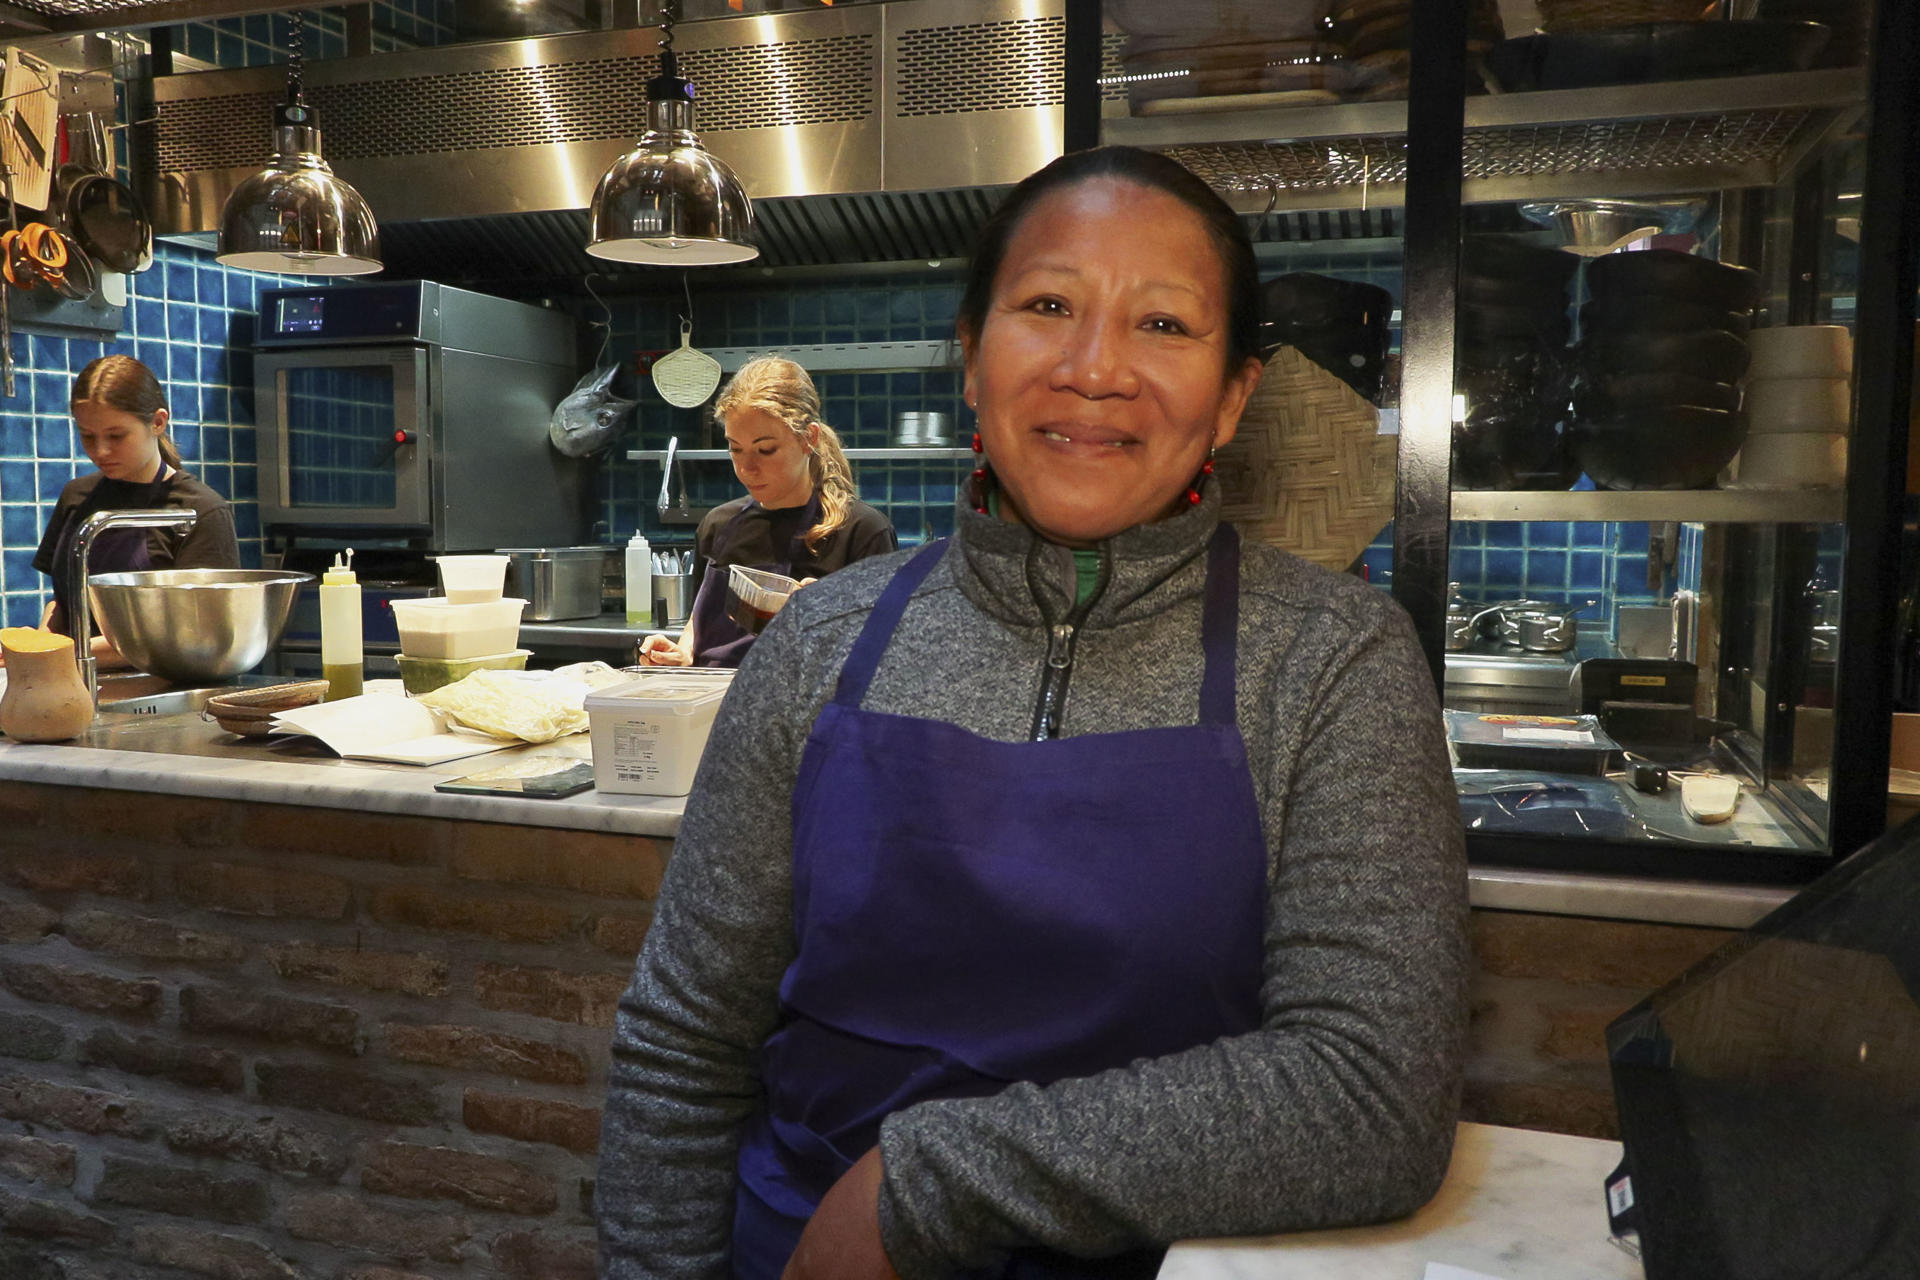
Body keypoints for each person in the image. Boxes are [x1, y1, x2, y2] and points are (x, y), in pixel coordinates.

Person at [600, 146, 1468, 1280]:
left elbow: (1369, 1092)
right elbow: (682, 1043)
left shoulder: (1331, 659)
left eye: (1163, 324)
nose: (1096, 367)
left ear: (1232, 398)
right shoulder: (819, 640)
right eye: (1048, 304)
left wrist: (923, 1183)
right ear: (972, 357)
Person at [637, 354, 896, 668]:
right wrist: (682, 653)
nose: (747, 467)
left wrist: (829, 618)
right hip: (712, 709)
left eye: (766, 449)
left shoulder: (862, 532)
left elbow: (884, 661)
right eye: (735, 448)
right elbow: (699, 627)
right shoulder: (717, 525)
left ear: (808, 438)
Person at [23, 355, 239, 668]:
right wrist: (42, 641)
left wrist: (64, 653)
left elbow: (195, 631)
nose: (100, 451)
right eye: (88, 436)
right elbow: (65, 602)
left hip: (162, 686)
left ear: (158, 422)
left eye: (116, 436)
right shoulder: (77, 496)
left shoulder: (201, 511)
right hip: (74, 679)